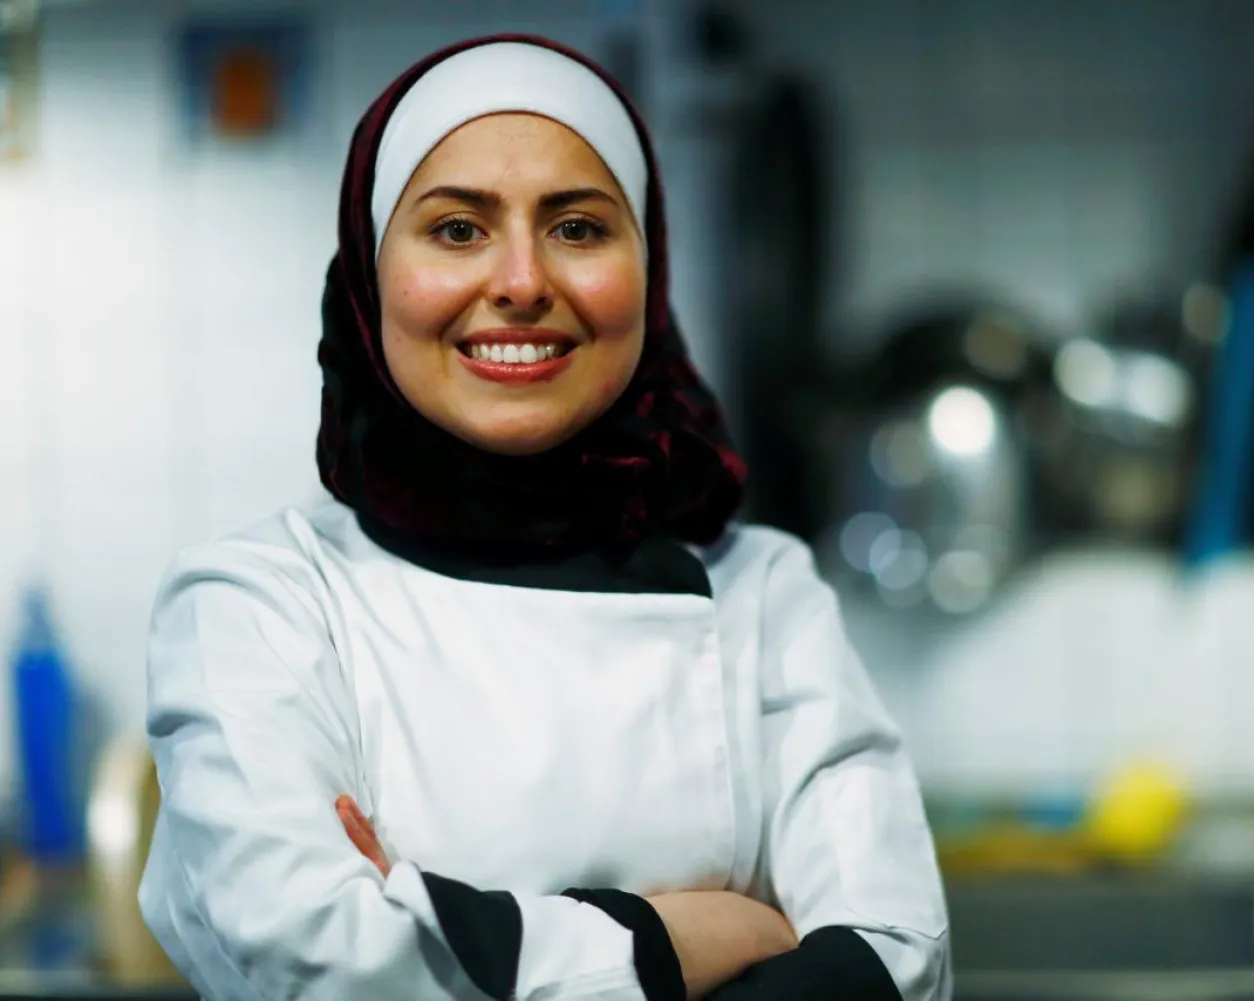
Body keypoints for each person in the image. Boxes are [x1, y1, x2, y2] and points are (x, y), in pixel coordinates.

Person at [137, 34, 950, 1001]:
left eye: (576, 228)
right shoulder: (257, 602)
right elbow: (314, 957)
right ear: (368, 276)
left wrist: (434, 920)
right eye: (456, 229)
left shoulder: (761, 592)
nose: (522, 282)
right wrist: (668, 941)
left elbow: (897, 956)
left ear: (647, 275)